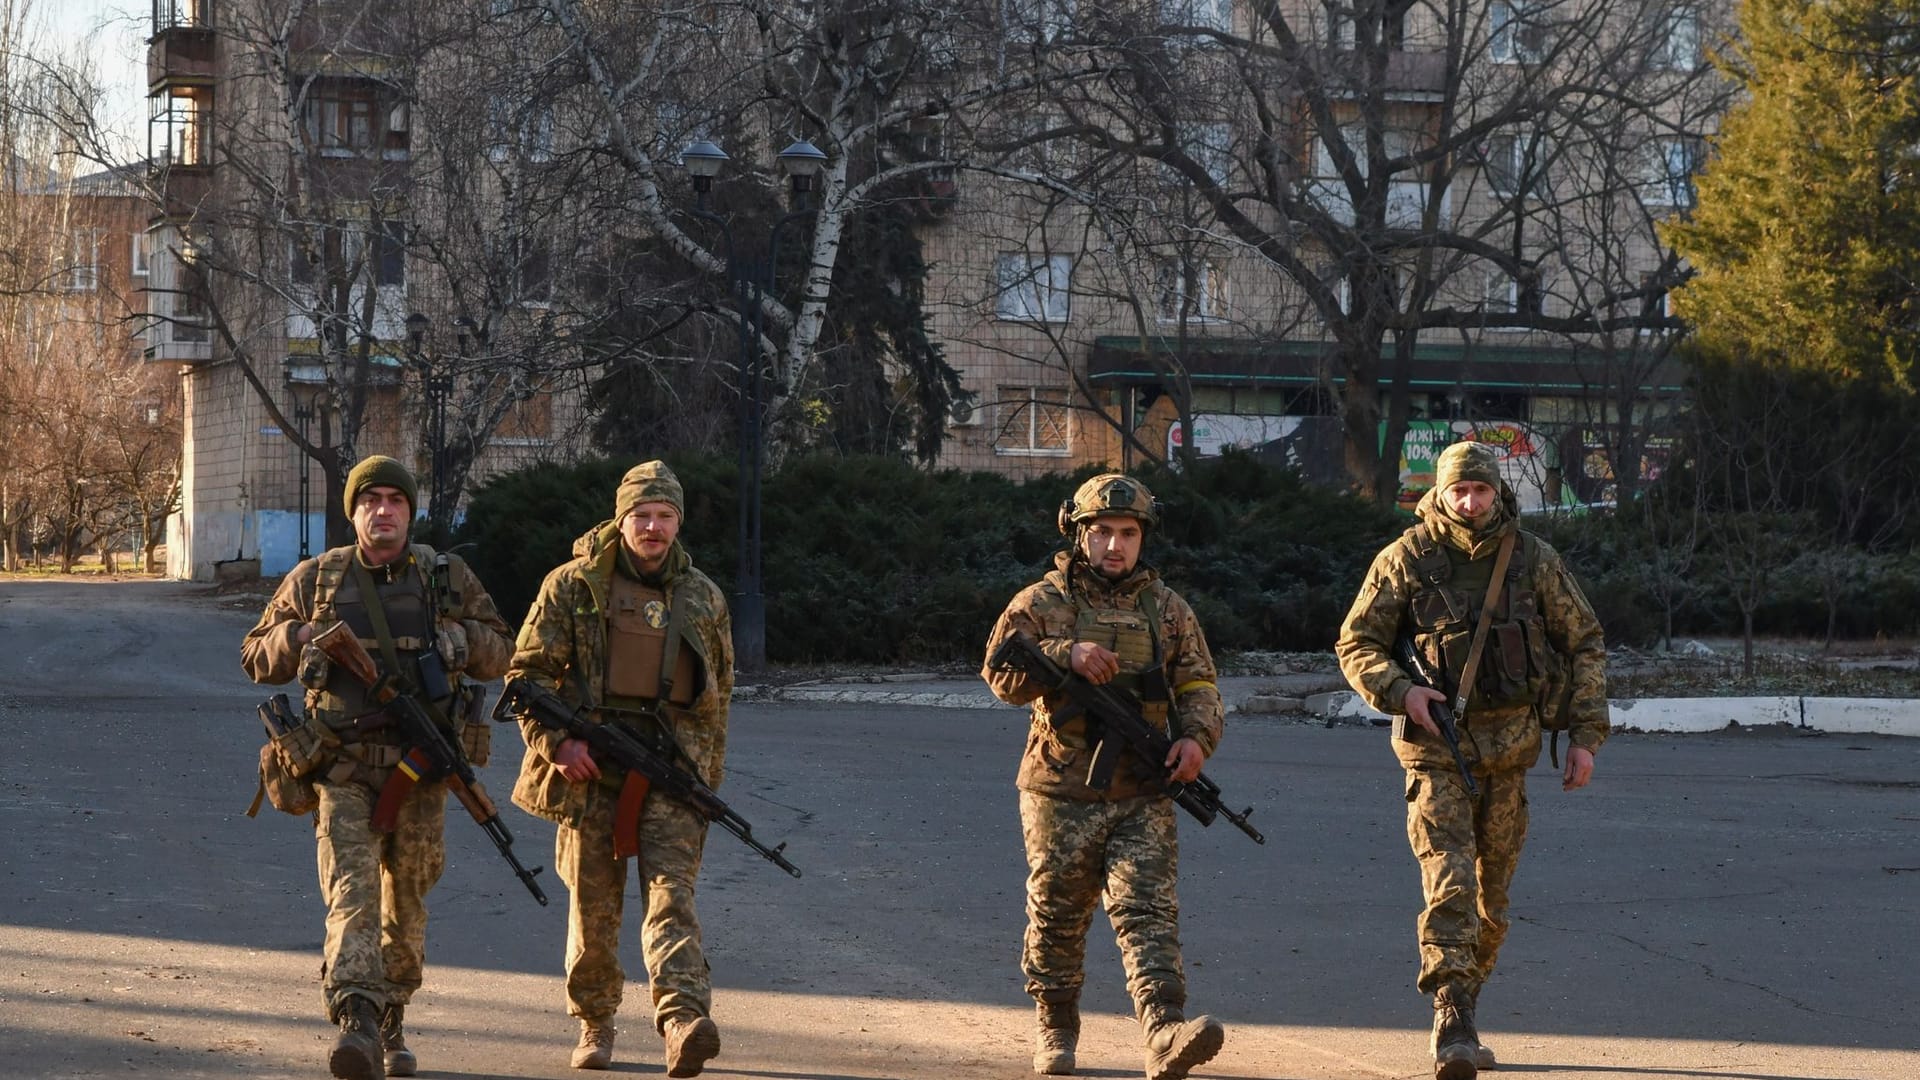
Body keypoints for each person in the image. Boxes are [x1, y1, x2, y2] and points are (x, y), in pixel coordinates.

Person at [1334, 441, 1609, 1080]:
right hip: (1435, 753)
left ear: (1497, 493)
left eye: (1481, 491)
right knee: (1450, 882)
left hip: (1510, 755)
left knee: (1492, 905)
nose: (1469, 502)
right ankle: (1451, 1019)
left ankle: (1466, 1009)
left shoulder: (1534, 560)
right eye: (1459, 490)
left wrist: (1585, 735)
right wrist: (1402, 690)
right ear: (1441, 492)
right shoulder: (1406, 558)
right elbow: (1357, 643)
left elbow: (1585, 642)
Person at [241, 455, 514, 1080]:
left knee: (408, 903)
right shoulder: (317, 578)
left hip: (420, 773)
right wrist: (302, 636)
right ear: (355, 512)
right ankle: (356, 1022)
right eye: (371, 501)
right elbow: (256, 655)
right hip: (342, 771)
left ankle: (392, 1016)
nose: (383, 510)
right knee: (352, 897)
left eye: (395, 499)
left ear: (410, 512)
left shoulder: (445, 577)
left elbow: (503, 651)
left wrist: (463, 642)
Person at [981, 473, 1228, 1080]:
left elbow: (1199, 685)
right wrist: (1065, 653)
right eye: (1101, 532)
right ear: (1078, 532)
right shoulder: (1040, 603)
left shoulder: (1168, 609)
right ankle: (1056, 1025)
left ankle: (1164, 1029)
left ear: (1143, 538)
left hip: (1143, 788)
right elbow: (1001, 677)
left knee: (1148, 911)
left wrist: (1197, 742)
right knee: (1057, 914)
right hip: (1059, 789)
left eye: (1127, 533)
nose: (1114, 545)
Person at [505, 461, 734, 1076]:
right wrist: (556, 744)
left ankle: (683, 1019)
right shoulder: (572, 586)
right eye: (642, 516)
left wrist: (701, 782)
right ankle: (595, 1023)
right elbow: (526, 677)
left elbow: (720, 694)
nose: (653, 528)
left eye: (664, 516)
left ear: (678, 522)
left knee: (671, 898)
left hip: (670, 770)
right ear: (620, 518)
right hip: (590, 771)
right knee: (593, 907)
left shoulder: (704, 597)